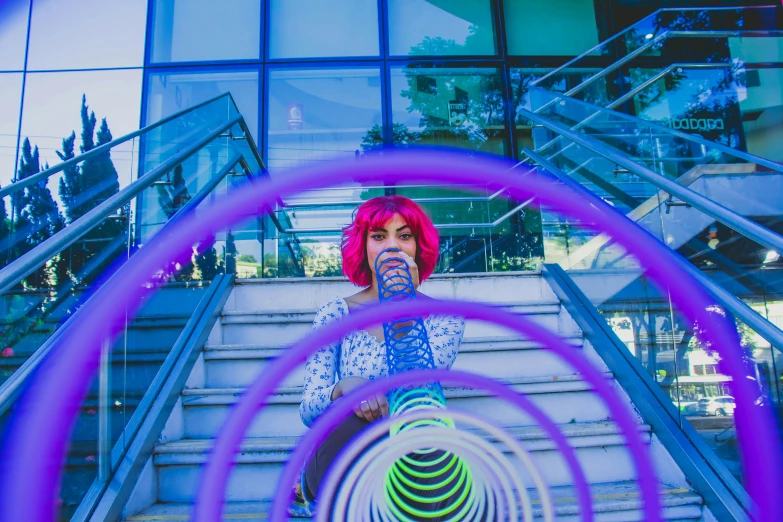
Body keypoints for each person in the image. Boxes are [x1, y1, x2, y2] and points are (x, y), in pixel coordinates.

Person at [291, 196, 466, 517]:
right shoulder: (334, 314)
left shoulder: (446, 318)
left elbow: (419, 388)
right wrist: (345, 387)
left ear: (417, 246)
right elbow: (308, 410)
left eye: (404, 235)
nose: (392, 247)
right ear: (364, 246)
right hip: (342, 458)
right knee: (353, 412)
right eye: (378, 236)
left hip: (411, 461)